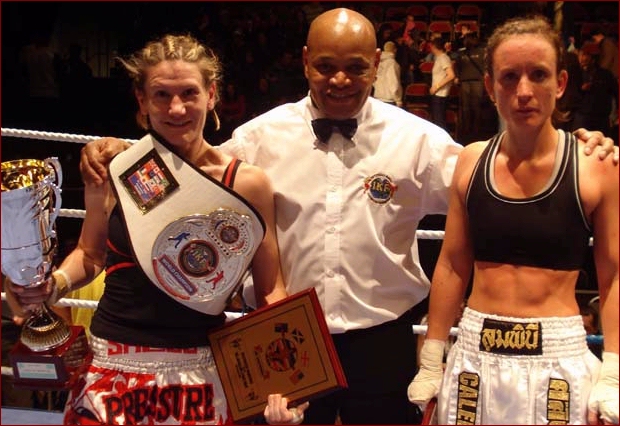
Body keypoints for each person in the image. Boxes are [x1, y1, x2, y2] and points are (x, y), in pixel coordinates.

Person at [78, 8, 618, 426]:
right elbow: (190, 164)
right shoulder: (259, 138)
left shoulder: (420, 141)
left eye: (356, 67)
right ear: (305, 60)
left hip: (382, 337)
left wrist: (579, 146)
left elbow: (503, 180)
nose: (340, 79)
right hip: (286, 334)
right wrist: (113, 151)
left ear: (376, 63)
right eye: (326, 66)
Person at [6, 33, 291, 425]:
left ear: (211, 95)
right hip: (110, 367)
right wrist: (52, 285)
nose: (176, 108)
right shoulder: (116, 168)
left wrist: (286, 377)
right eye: (161, 95)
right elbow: (90, 254)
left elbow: (271, 289)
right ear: (141, 100)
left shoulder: (246, 183)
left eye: (189, 93)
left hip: (201, 373)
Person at [407, 15, 618, 425]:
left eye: (538, 75)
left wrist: (614, 368)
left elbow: (613, 273)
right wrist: (432, 355)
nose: (524, 91)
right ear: (490, 87)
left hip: (558, 358)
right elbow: (452, 264)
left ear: (560, 83)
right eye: (509, 77)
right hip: (475, 352)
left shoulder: (596, 165)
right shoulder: (471, 161)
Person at [428, 37, 455, 131]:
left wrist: (436, 87)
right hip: (438, 94)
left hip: (440, 94)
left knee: (439, 124)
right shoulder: (440, 58)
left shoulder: (443, 58)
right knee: (438, 122)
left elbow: (451, 75)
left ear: (434, 47)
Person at [373, 41, 403, 107]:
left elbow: (374, 80)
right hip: (389, 100)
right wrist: (398, 99)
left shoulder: (379, 63)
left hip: (378, 97)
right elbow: (393, 82)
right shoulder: (392, 64)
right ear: (395, 50)